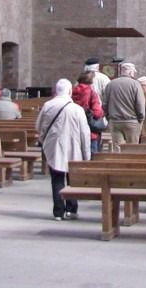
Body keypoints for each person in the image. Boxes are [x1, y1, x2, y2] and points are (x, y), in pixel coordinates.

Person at [35, 78, 91, 221]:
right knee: (72, 179)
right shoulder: (77, 109)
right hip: (73, 147)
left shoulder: (48, 105)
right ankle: (71, 210)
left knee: (57, 179)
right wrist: (87, 154)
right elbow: (85, 133)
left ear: (56, 91)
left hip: (54, 147)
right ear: (70, 91)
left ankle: (58, 212)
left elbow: (38, 126)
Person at [102, 62, 145, 147]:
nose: (133, 74)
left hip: (115, 121)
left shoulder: (110, 84)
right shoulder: (135, 84)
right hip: (131, 121)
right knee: (132, 148)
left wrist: (108, 117)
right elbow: (140, 103)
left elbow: (105, 104)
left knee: (117, 148)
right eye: (133, 72)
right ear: (130, 72)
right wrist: (141, 118)